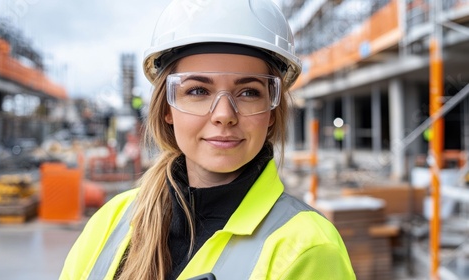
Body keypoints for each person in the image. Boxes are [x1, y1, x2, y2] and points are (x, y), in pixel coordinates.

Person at [60, 0, 356, 279]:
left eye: (249, 92)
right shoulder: (111, 221)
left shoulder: (309, 247)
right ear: (167, 109)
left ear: (272, 114)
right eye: (199, 91)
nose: (224, 115)